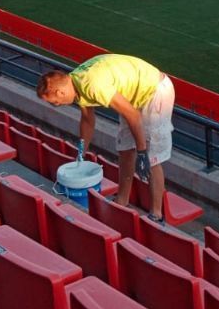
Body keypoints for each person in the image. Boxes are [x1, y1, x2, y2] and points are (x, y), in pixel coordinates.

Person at [37, 54, 175, 223]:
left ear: (60, 91)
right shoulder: (74, 82)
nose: (56, 105)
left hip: (155, 90)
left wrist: (141, 151)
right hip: (134, 96)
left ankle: (156, 214)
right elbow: (87, 119)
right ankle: (122, 201)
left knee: (151, 158)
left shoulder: (93, 85)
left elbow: (133, 115)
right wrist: (81, 151)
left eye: (55, 102)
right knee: (124, 149)